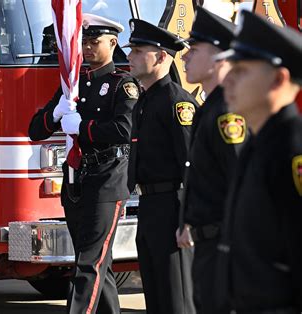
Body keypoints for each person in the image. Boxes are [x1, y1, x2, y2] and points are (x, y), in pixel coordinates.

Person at [28, 13, 140, 314]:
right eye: (84, 42)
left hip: (107, 179)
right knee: (92, 263)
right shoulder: (73, 85)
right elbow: (34, 131)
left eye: (95, 41)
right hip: (76, 180)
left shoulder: (122, 84)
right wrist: (54, 115)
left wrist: (84, 127)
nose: (88, 48)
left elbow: (124, 130)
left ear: (113, 43)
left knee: (89, 263)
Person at [214, 11, 302, 314]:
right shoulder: (257, 140)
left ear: (279, 79)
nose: (227, 78)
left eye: (241, 70)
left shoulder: (293, 149)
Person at [174, 7, 247, 314]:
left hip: (226, 246)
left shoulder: (227, 113)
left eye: (194, 50)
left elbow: (240, 183)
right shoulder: (208, 108)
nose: (186, 57)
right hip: (206, 243)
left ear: (219, 57)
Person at [125, 18, 198, 314]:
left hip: (173, 206)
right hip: (151, 205)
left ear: (161, 56)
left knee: (175, 295)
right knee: (155, 295)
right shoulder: (145, 101)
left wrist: (189, 219)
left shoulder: (176, 102)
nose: (129, 56)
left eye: (138, 50)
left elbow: (192, 164)